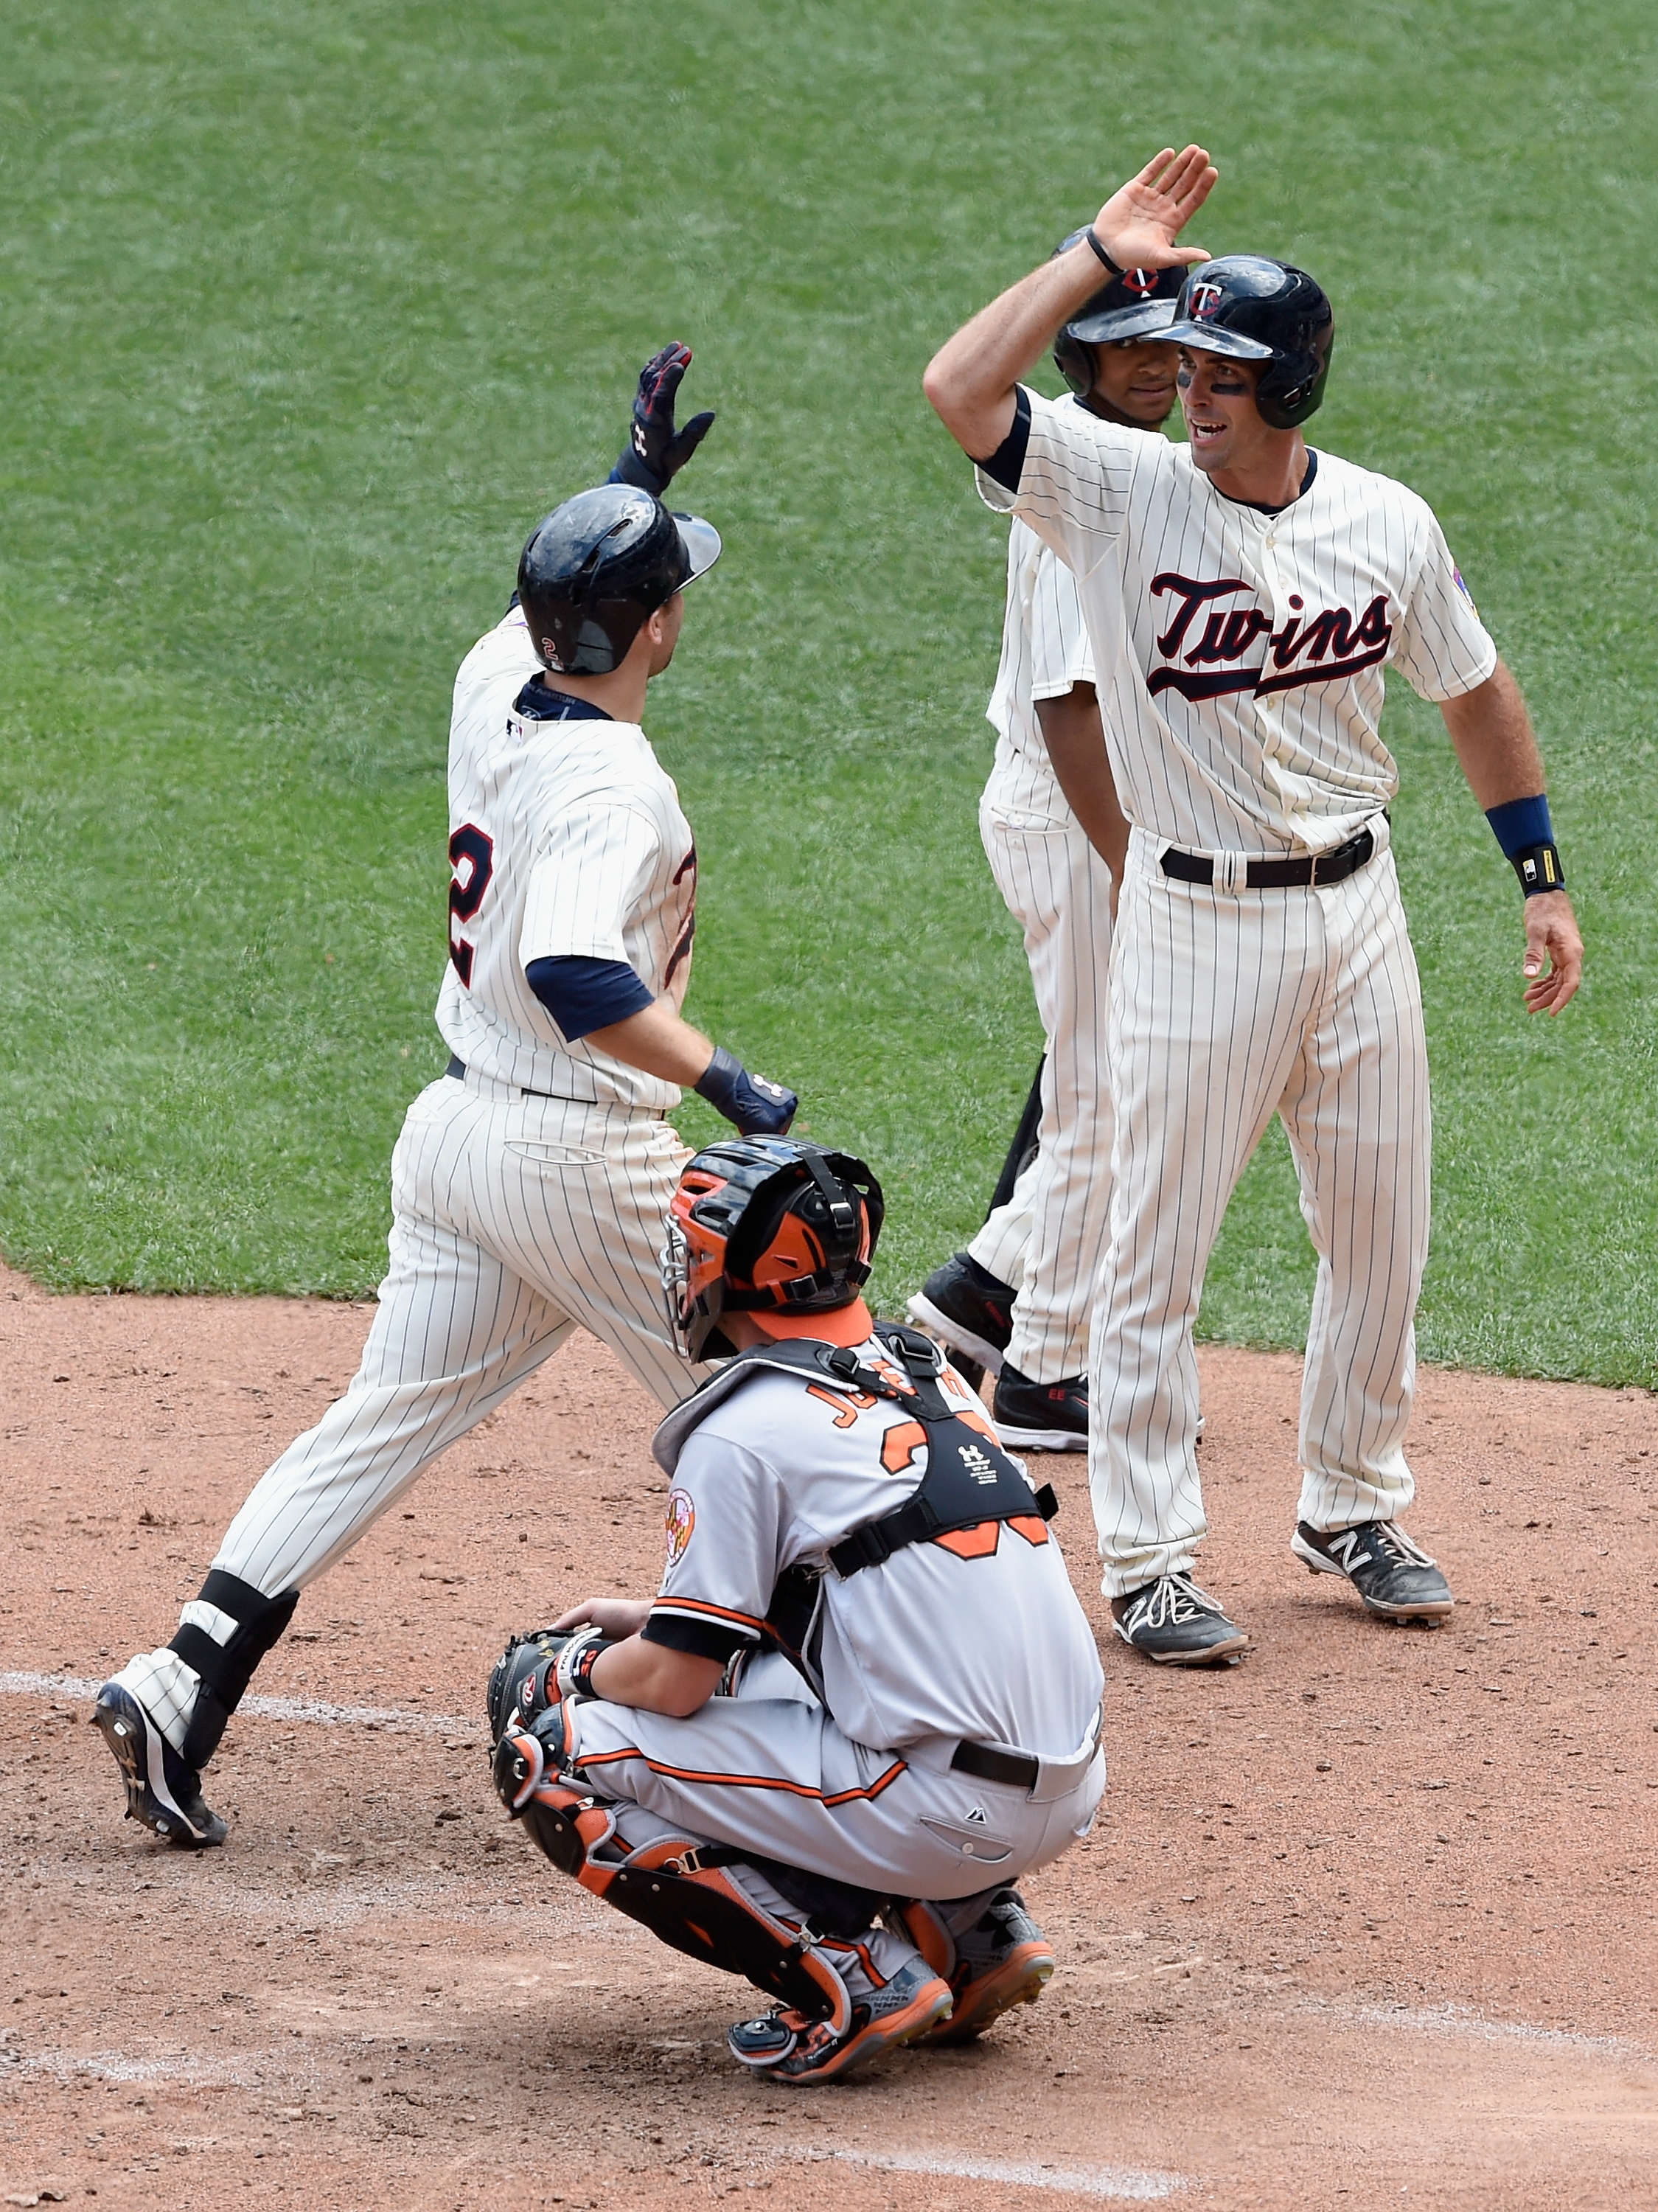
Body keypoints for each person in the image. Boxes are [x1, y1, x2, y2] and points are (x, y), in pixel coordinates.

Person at [94, 352, 801, 1846]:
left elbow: (561, 600)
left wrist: (634, 483)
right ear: (659, 626)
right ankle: (829, 1729)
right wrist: (727, 1079)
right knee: (775, 1421)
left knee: (380, 1417)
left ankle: (180, 1683)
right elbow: (574, 976)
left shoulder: (496, 677)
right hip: (575, 1157)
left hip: (457, 1142)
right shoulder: (615, 788)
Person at [922, 147, 1584, 1663]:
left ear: (1287, 385)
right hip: (1191, 924)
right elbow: (958, 389)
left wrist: (1535, 879)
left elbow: (1472, 693)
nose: (1183, 386)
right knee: (1149, 1256)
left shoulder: (1383, 523)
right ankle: (1148, 1557)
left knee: (1378, 1235)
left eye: (1217, 367)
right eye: (1179, 361)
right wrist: (1091, 251)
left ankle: (1348, 1501)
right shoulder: (1110, 487)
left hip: (1358, 915)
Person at [487, 1137, 1104, 2084]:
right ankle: (974, 1932)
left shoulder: (744, 1430)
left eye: (686, 1243)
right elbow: (858, 1598)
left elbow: (676, 1681)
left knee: (552, 1748)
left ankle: (854, 1980)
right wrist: (649, 1617)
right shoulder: (926, 1373)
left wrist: (568, 1670)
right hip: (1061, 1793)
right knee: (796, 1668)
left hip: (941, 1813)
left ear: (722, 1268)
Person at [909, 251, 1184, 1453]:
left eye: (1171, 345)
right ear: (1077, 359)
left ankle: (979, 1294)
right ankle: (1044, 1373)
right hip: (1080, 815)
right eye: (1130, 347)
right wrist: (1130, 866)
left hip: (1088, 810)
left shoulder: (1112, 458)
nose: (1160, 367)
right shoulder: (1079, 483)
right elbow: (1070, 704)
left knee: (1104, 1090)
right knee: (1099, 1106)